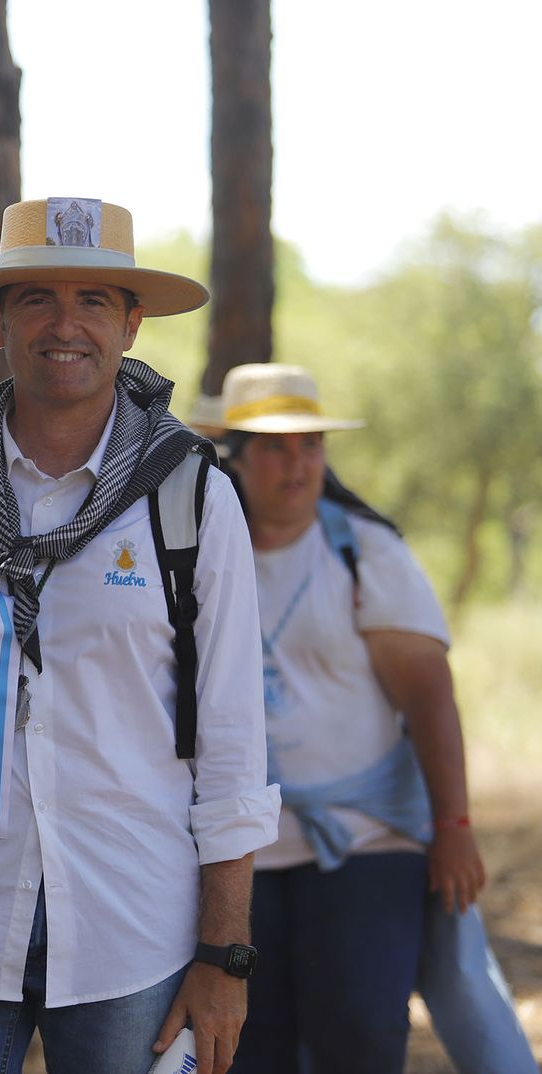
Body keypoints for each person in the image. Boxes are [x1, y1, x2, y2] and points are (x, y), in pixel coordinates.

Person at [0, 197, 279, 1074]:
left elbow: (232, 740)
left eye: (94, 301)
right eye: (37, 298)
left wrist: (224, 952)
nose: (65, 326)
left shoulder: (192, 495)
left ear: (132, 325)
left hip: (132, 919)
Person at [215, 363, 533, 1074]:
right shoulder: (200, 553)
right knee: (251, 1040)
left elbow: (429, 696)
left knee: (359, 1026)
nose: (297, 463)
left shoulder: (364, 552)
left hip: (368, 838)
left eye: (311, 445)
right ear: (235, 457)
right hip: (242, 850)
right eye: (274, 447)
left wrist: (454, 827)